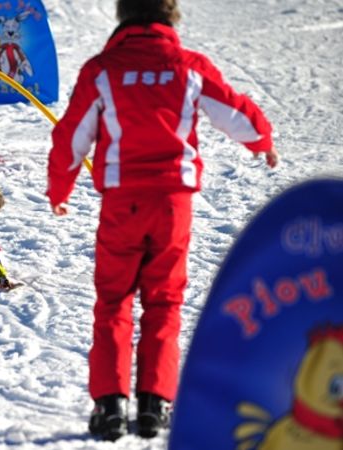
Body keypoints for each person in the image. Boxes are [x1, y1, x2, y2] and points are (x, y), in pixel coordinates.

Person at [46, 0, 280, 441]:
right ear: (170, 15)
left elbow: (72, 134)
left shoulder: (103, 70)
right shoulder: (188, 66)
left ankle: (110, 405)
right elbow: (231, 110)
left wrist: (61, 187)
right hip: (173, 203)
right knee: (163, 302)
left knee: (114, 300)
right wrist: (261, 140)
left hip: (123, 202)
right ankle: (156, 403)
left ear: (123, 14)